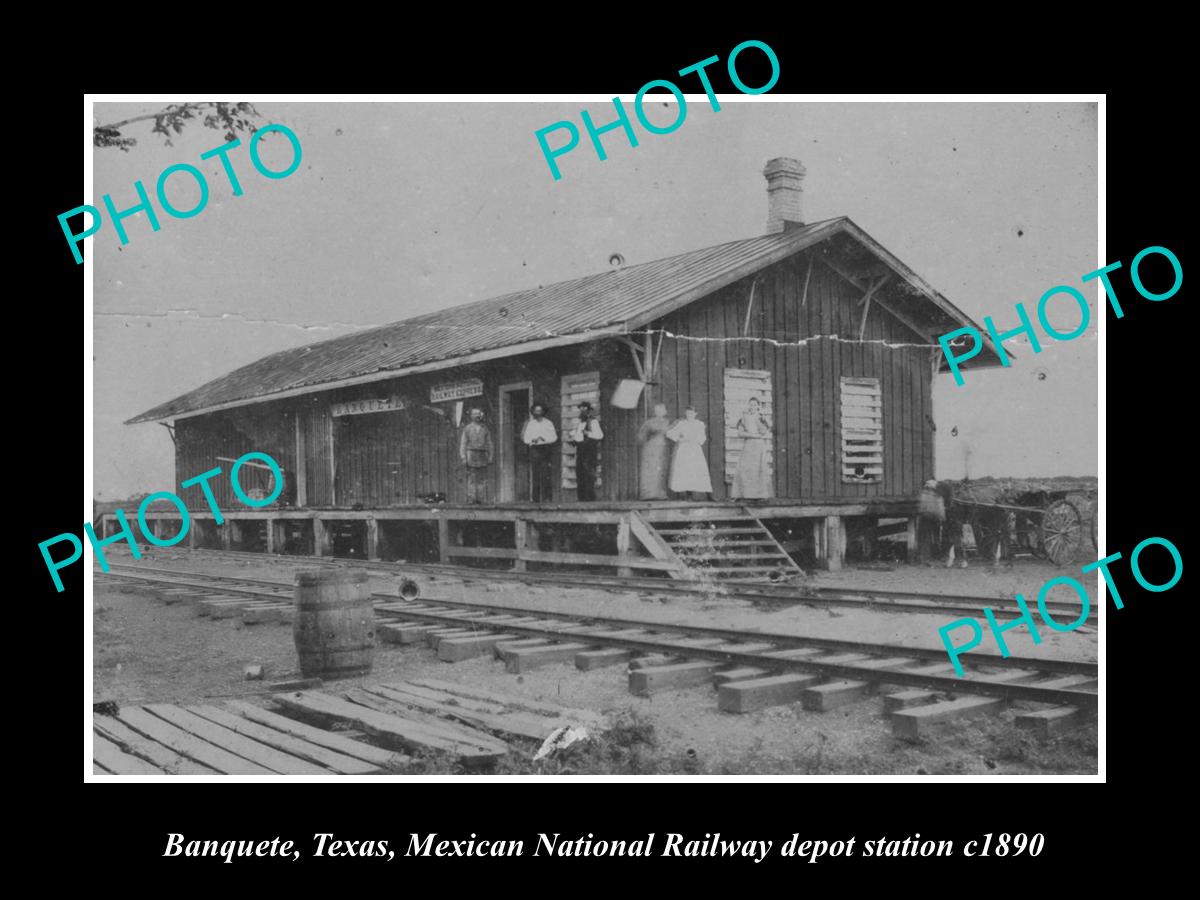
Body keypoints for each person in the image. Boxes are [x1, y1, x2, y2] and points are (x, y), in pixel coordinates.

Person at [666, 407, 713, 501]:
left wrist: (696, 440)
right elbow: (669, 433)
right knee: (686, 471)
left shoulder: (699, 424)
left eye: (691, 413)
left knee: (700, 470)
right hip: (684, 449)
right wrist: (679, 439)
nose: (689, 415)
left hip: (695, 449)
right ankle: (689, 495)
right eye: (687, 413)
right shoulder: (682, 424)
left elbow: (702, 437)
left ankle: (709, 495)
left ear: (695, 414)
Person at [730, 396, 771, 500]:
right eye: (751, 404)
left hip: (758, 446)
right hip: (748, 445)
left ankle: (759, 495)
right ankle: (743, 494)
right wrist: (753, 435)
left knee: (758, 469)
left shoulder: (761, 418)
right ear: (748, 405)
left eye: (755, 405)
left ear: (758, 406)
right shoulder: (744, 417)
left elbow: (763, 432)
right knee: (745, 468)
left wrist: (758, 421)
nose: (752, 406)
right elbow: (740, 433)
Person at [522, 402, 558, 503]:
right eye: (535, 411)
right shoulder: (531, 424)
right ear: (533, 412)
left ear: (543, 412)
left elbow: (554, 437)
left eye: (539, 411)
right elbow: (526, 438)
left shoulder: (548, 423)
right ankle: (535, 499)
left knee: (546, 473)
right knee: (536, 474)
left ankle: (547, 498)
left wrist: (544, 438)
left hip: (545, 448)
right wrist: (533, 439)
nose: (537, 413)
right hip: (535, 449)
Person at [567, 400, 603, 501]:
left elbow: (600, 435)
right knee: (580, 473)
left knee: (589, 473)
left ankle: (590, 498)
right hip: (581, 449)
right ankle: (581, 498)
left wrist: (588, 433)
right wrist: (573, 436)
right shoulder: (580, 424)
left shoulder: (593, 422)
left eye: (585, 409)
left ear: (589, 411)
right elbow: (578, 435)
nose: (582, 411)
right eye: (581, 409)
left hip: (589, 450)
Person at [636, 403, 672, 500]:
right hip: (651, 448)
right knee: (650, 469)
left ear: (664, 411)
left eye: (661, 410)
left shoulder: (667, 422)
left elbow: (672, 434)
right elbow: (641, 437)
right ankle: (648, 494)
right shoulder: (649, 422)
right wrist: (649, 437)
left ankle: (660, 493)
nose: (659, 412)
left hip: (663, 448)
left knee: (661, 470)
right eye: (657, 410)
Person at [458, 407, 494, 504]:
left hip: (482, 454)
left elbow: (489, 443)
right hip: (471, 454)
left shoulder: (484, 428)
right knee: (472, 478)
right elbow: (463, 444)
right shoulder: (467, 428)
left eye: (479, 414)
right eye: (475, 414)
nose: (477, 416)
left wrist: (490, 456)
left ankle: (482, 498)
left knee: (482, 478)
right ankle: (472, 499)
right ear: (471, 416)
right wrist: (463, 457)